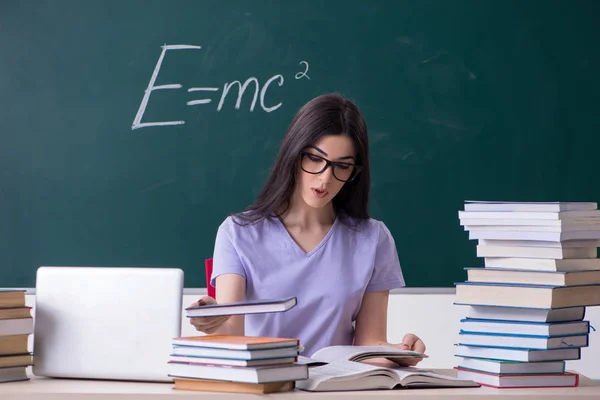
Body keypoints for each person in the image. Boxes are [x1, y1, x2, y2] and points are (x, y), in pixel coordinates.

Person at [190, 93, 426, 366]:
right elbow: (231, 332)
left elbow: (368, 345)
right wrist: (210, 321)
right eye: (315, 158)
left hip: (335, 387)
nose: (325, 178)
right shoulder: (238, 233)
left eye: (342, 166)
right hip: (264, 386)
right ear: (293, 153)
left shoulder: (373, 239)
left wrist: (401, 354)